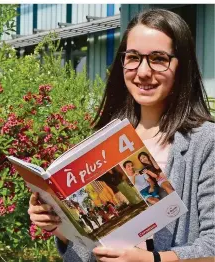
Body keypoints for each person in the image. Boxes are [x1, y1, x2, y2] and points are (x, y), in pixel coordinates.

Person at [27, 8, 214, 261]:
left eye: (158, 59)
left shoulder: (205, 142)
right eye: (133, 57)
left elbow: (211, 247)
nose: (143, 72)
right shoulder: (104, 142)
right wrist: (58, 226)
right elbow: (91, 246)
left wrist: (151, 260)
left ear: (182, 65)